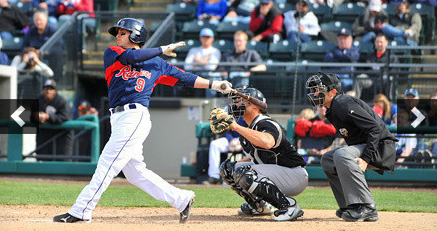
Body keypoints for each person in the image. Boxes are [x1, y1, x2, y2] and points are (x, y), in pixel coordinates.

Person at [52, 18, 233, 223]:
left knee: (107, 163)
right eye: (118, 33)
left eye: (122, 32)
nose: (117, 36)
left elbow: (185, 78)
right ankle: (181, 199)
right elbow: (132, 57)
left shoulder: (156, 63)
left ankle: (81, 209)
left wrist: (216, 84)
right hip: (118, 117)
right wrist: (162, 48)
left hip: (134, 116)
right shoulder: (113, 53)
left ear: (135, 35)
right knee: (135, 173)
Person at [306, 72, 398, 222]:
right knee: (327, 159)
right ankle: (350, 206)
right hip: (368, 145)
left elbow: (376, 129)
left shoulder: (342, 103)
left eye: (319, 90)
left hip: (381, 147)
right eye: (315, 90)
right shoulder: (332, 108)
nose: (315, 93)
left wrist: (365, 159)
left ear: (333, 92)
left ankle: (368, 207)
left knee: (341, 155)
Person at [218, 87, 308, 221]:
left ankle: (289, 207)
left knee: (245, 173)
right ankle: (259, 206)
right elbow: (255, 157)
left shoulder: (266, 122)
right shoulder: (249, 128)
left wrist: (235, 127)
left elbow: (267, 142)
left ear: (255, 105)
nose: (237, 104)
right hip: (278, 173)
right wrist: (233, 167)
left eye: (242, 101)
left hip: (294, 174)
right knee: (228, 169)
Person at [30, 79, 74, 159]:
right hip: (44, 141)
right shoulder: (39, 100)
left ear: (54, 91)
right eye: (45, 88)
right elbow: (29, 114)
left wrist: (48, 116)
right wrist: (35, 116)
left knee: (61, 167)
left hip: (61, 140)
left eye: (50, 88)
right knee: (42, 164)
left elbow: (65, 117)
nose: (47, 91)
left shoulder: (61, 101)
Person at [354, 33, 399, 100]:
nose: (379, 44)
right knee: (359, 78)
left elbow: (395, 71)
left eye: (381, 42)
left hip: (384, 79)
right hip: (371, 79)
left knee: (391, 79)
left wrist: (383, 74)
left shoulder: (392, 57)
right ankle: (355, 102)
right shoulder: (369, 56)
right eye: (377, 42)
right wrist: (375, 72)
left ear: (386, 43)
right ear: (375, 43)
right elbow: (364, 69)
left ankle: (390, 103)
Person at [22, 9, 64, 81]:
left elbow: (59, 45)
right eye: (36, 20)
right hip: (33, 57)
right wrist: (30, 52)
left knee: (57, 54)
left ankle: (54, 80)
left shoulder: (53, 30)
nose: (38, 22)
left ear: (46, 20)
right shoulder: (31, 30)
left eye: (40, 20)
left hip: (49, 55)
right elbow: (24, 46)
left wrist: (46, 52)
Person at [206, 116, 247, 184]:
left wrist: (241, 140)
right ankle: (214, 176)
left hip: (245, 139)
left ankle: (247, 174)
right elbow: (225, 129)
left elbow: (250, 128)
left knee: (248, 147)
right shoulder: (228, 110)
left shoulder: (247, 109)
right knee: (214, 144)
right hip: (230, 139)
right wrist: (231, 140)